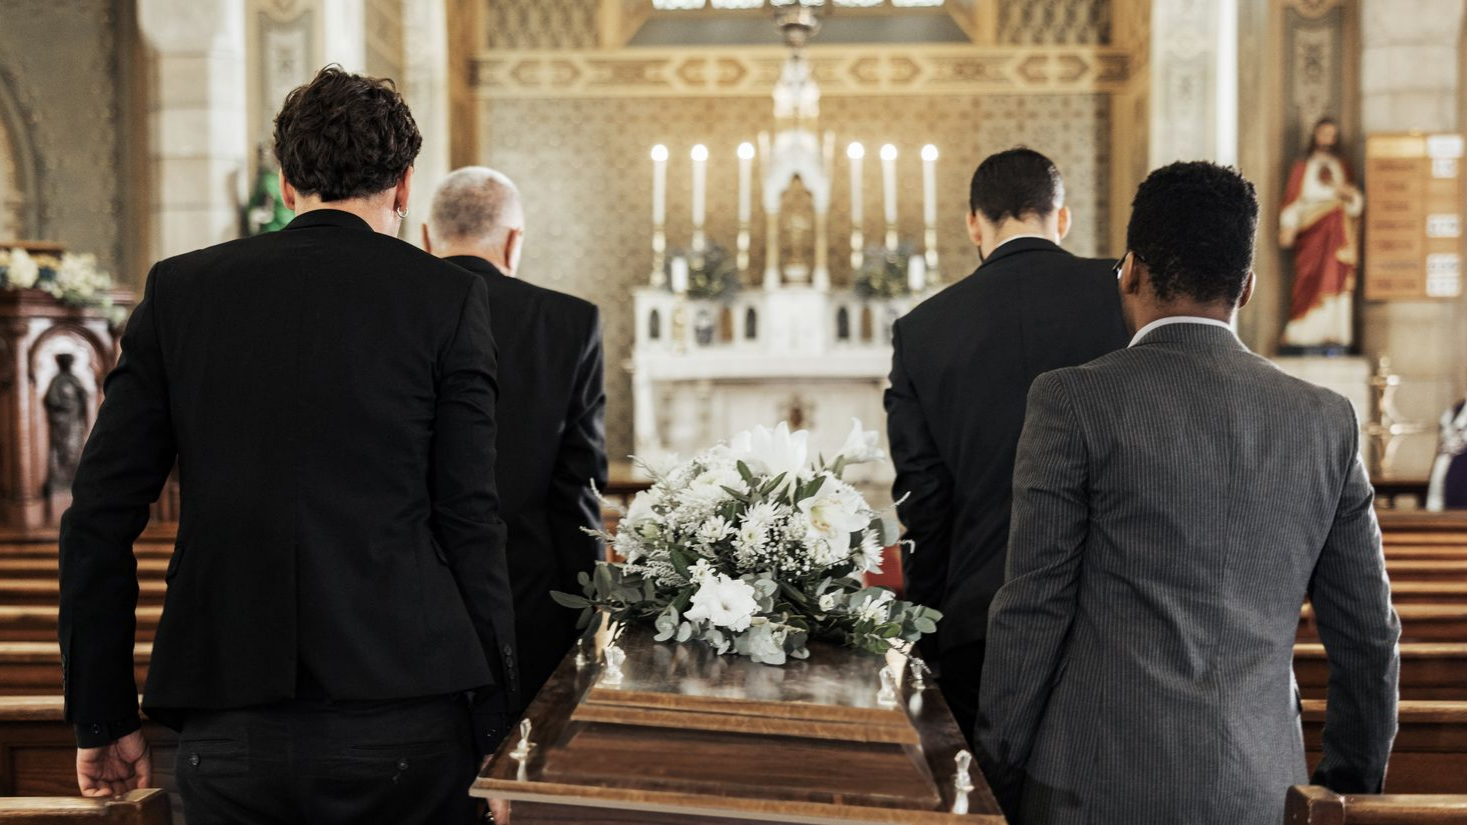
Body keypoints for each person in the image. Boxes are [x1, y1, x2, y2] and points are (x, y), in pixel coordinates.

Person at [57, 67, 518, 825]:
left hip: (231, 714)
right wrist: (500, 730)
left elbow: (98, 518)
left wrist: (102, 716)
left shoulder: (181, 291)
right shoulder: (446, 297)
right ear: (404, 185)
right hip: (404, 704)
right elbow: (470, 521)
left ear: (284, 179)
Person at [977, 161, 1401, 825]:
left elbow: (1031, 610)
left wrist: (996, 772)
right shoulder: (1323, 419)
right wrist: (1339, 793)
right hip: (1261, 791)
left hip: (1091, 787)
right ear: (1248, 288)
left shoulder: (1073, 400)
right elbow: (1368, 639)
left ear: (1130, 271)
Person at [884, 147, 1128, 746]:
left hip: (979, 615)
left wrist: (929, 627)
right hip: (1114, 609)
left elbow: (924, 501)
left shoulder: (923, 329)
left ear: (974, 223)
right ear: (1061, 217)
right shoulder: (1125, 295)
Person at [425, 166, 607, 708]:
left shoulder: (390, 312)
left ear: (427, 237)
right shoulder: (568, 321)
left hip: (406, 597)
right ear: (513, 239)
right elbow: (578, 485)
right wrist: (587, 609)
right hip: (528, 595)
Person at [1280, 117, 1363, 351]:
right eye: (1323, 134)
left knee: (1335, 278)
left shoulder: (1342, 167)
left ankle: (1333, 331)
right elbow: (1293, 200)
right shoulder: (1303, 166)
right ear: (1315, 135)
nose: (1327, 139)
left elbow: (1356, 203)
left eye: (1331, 135)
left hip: (1337, 232)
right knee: (1308, 278)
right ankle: (1302, 331)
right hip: (1311, 230)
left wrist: (1346, 193)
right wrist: (1288, 225)